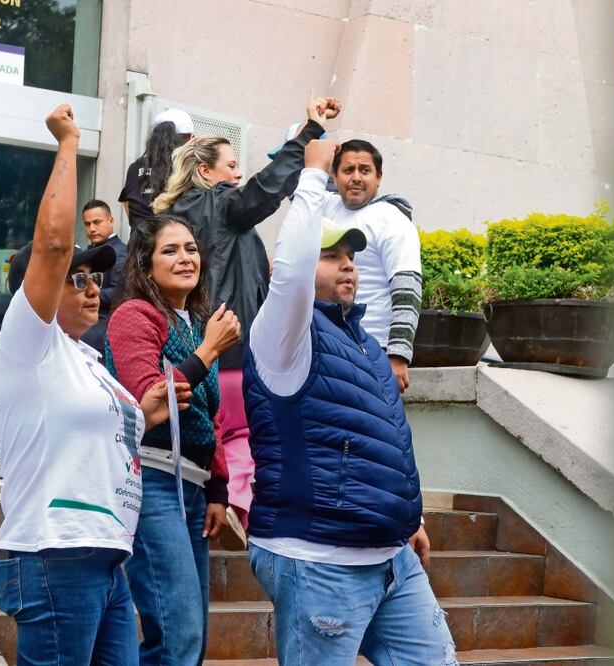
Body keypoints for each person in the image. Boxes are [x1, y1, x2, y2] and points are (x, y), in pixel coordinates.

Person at [0, 103, 189, 664]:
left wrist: (148, 409)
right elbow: (52, 245)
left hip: (106, 556)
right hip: (54, 552)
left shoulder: (89, 362)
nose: (94, 288)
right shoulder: (29, 344)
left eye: (96, 277)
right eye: (77, 280)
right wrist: (69, 143)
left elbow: (106, 434)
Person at [244, 140, 455, 665]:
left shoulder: (366, 345)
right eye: (331, 256)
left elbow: (380, 442)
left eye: (352, 258)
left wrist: (406, 519)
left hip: (390, 555)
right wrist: (313, 173)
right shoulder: (283, 337)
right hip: (318, 558)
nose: (348, 267)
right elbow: (292, 271)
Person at [152, 91, 341, 526]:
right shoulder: (216, 203)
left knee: (219, 442)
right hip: (230, 351)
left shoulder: (183, 216)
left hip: (203, 351)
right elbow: (265, 189)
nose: (239, 174)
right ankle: (243, 509)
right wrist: (309, 134)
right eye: (232, 165)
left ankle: (227, 507)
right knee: (242, 438)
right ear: (205, 172)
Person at [106, 214, 241, 664]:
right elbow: (152, 400)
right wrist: (208, 351)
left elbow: (209, 416)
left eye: (191, 249)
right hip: (152, 480)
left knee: (192, 635)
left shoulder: (197, 323)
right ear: (145, 265)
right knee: (176, 629)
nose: (185, 258)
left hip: (194, 489)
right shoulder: (134, 315)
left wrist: (218, 489)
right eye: (170, 250)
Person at [321, 139, 420, 393]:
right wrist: (314, 130)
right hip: (328, 344)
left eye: (365, 170)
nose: (356, 177)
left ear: (379, 178)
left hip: (375, 348)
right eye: (348, 170)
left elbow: (407, 290)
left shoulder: (392, 220)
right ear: (334, 176)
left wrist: (398, 356)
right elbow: (293, 184)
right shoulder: (326, 206)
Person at [119, 108, 194, 234]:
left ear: (153, 139)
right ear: (190, 138)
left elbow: (129, 207)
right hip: (174, 240)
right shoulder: (188, 170)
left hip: (140, 242)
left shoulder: (135, 168)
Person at [79, 198, 128, 357]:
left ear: (111, 221)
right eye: (87, 224)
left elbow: (118, 294)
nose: (92, 229)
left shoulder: (122, 253)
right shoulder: (88, 251)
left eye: (97, 222)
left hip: (105, 327)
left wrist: (82, 293)